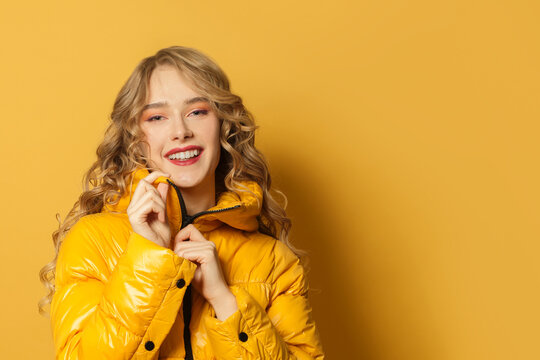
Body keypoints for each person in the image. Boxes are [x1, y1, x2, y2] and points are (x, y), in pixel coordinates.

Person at [38, 46, 324, 359]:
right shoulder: (92, 242)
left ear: (223, 126)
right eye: (157, 117)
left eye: (197, 111)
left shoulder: (274, 262)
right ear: (136, 137)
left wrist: (224, 300)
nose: (180, 131)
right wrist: (148, 260)